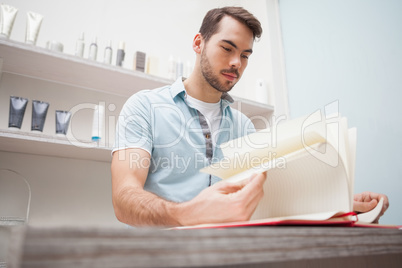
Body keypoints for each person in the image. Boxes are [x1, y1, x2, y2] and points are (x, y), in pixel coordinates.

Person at [111, 6, 389, 227]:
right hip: (158, 254)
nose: (237, 63)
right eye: (227, 48)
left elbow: (273, 199)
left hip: (226, 253)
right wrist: (185, 213)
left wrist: (344, 203)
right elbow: (124, 199)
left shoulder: (243, 127)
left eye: (245, 55)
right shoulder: (144, 107)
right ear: (198, 43)